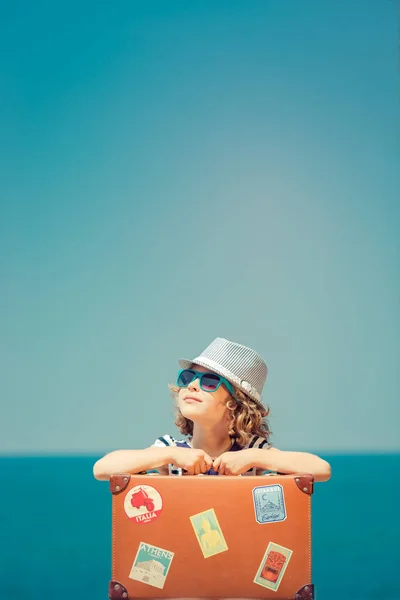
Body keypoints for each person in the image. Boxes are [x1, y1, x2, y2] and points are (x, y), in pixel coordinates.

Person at [93, 337, 331, 482]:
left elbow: (321, 469)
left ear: (236, 402)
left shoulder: (253, 453)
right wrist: (169, 456)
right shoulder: (169, 451)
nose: (193, 385)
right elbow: (102, 469)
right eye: (188, 377)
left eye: (208, 381)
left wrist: (255, 457)